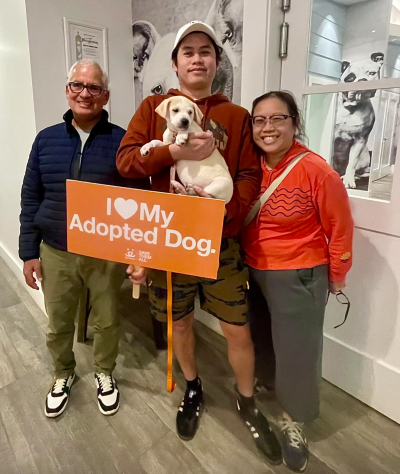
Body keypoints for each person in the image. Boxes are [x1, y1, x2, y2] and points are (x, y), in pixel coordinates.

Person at [117, 21, 282, 464]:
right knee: (180, 322)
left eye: (205, 51)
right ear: (175, 63)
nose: (196, 58)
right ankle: (193, 388)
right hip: (168, 240)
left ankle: (246, 401)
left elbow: (248, 175)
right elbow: (127, 161)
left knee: (236, 326)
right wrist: (173, 153)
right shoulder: (154, 106)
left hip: (220, 241)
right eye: (187, 51)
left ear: (215, 61)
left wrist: (221, 213)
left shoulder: (234, 115)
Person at [19, 59, 149, 418]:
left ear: (105, 96)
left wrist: (139, 255)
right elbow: (31, 196)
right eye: (78, 85)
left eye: (93, 88)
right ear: (67, 90)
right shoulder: (45, 140)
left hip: (105, 252)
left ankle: (104, 371)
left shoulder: (123, 142)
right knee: (58, 321)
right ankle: (63, 373)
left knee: (107, 320)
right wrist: (29, 251)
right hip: (56, 251)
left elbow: (139, 202)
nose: (85, 94)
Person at [241, 91, 354, 472]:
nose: (268, 127)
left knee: (298, 351)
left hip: (299, 272)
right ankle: (270, 386)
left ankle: (295, 421)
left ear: (294, 123)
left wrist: (336, 276)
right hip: (251, 269)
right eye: (259, 120)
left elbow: (340, 227)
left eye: (278, 118)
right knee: (262, 338)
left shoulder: (316, 170)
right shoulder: (248, 166)